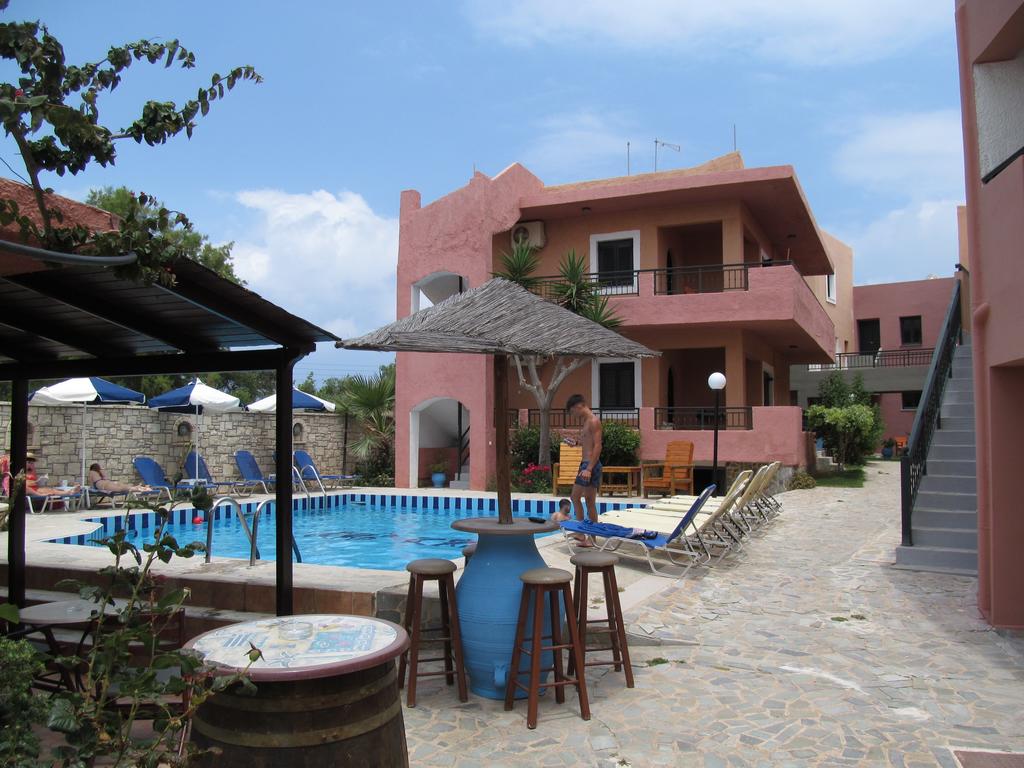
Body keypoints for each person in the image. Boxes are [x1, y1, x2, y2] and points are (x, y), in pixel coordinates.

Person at [566, 393, 603, 537]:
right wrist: (576, 443)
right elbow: (589, 443)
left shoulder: (593, 421)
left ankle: (582, 534)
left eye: (572, 412)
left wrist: (589, 469)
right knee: (589, 501)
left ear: (579, 406)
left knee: (575, 497)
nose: (573, 415)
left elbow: (598, 446)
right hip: (587, 464)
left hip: (589, 465)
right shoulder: (587, 422)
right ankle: (589, 537)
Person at [88, 463, 152, 494]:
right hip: (109, 482)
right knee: (126, 487)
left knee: (122, 489)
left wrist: (93, 489)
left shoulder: (91, 472)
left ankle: (140, 489)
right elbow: (106, 478)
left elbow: (91, 483)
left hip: (104, 485)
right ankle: (141, 488)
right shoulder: (101, 472)